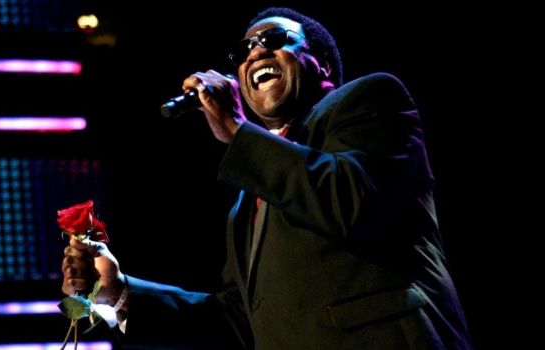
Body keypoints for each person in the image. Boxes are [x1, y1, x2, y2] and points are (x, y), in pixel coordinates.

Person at [62, 7, 472, 349]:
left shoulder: (372, 99)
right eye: (243, 51)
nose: (255, 54)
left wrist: (237, 130)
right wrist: (118, 291)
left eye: (274, 39)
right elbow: (238, 318)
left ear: (323, 63)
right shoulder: (251, 194)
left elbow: (352, 202)